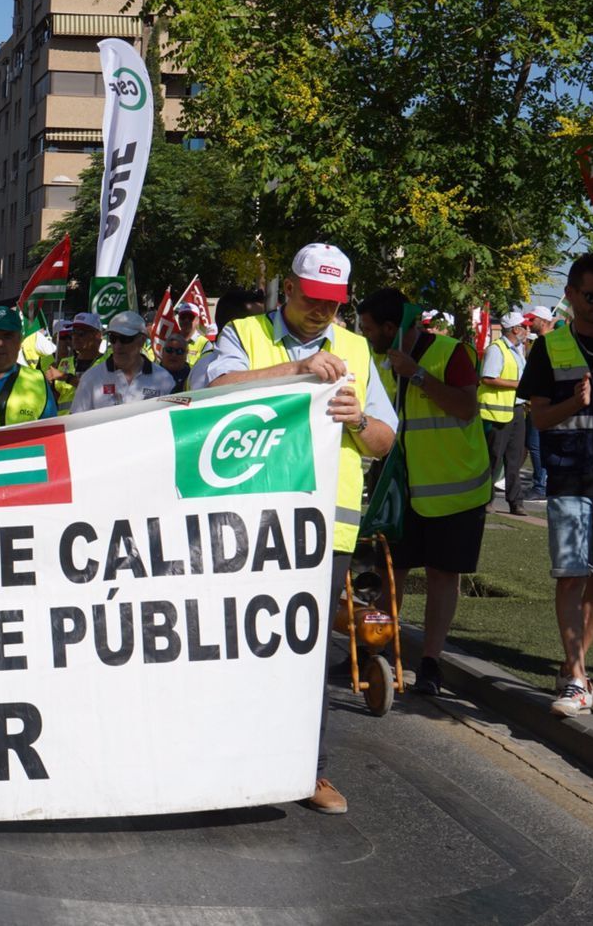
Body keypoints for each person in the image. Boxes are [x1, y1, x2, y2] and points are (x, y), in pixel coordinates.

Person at [201, 242, 397, 815]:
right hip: (241, 522)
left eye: (333, 304)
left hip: (321, 534)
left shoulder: (356, 350)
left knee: (307, 653)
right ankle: (217, 762)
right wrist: (296, 371)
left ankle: (309, 772)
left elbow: (385, 441)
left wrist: (358, 419)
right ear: (287, 288)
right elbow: (208, 392)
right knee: (229, 643)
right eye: (312, 299)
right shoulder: (244, 334)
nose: (322, 313)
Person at [357, 288, 490, 697]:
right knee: (389, 573)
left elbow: (466, 408)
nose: (364, 336)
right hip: (401, 490)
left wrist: (416, 374)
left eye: (369, 329)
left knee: (440, 575)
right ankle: (370, 656)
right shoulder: (376, 361)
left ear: (391, 329)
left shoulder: (453, 353)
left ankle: (430, 664)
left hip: (455, 490)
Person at [518, 253, 593, 718]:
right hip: (570, 474)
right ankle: (574, 678)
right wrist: (573, 403)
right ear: (569, 295)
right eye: (592, 296)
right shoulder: (550, 349)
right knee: (571, 576)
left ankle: (579, 671)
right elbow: (539, 418)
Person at [70, 311, 176, 412]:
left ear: (142, 340)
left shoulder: (164, 379)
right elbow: (76, 423)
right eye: (113, 338)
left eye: (125, 339)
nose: (118, 345)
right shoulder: (91, 378)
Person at [480, 310, 528, 514]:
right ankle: (486, 499)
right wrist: (518, 385)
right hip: (498, 412)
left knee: (514, 459)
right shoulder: (497, 349)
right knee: (494, 458)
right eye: (524, 327)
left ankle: (516, 501)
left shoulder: (518, 350)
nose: (527, 330)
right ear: (515, 329)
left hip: (516, 410)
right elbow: (488, 378)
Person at [525, 306, 556, 498]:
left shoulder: (547, 343)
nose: (529, 324)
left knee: (537, 446)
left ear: (543, 321)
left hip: (545, 406)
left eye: (532, 320)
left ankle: (540, 485)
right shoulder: (541, 342)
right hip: (536, 405)